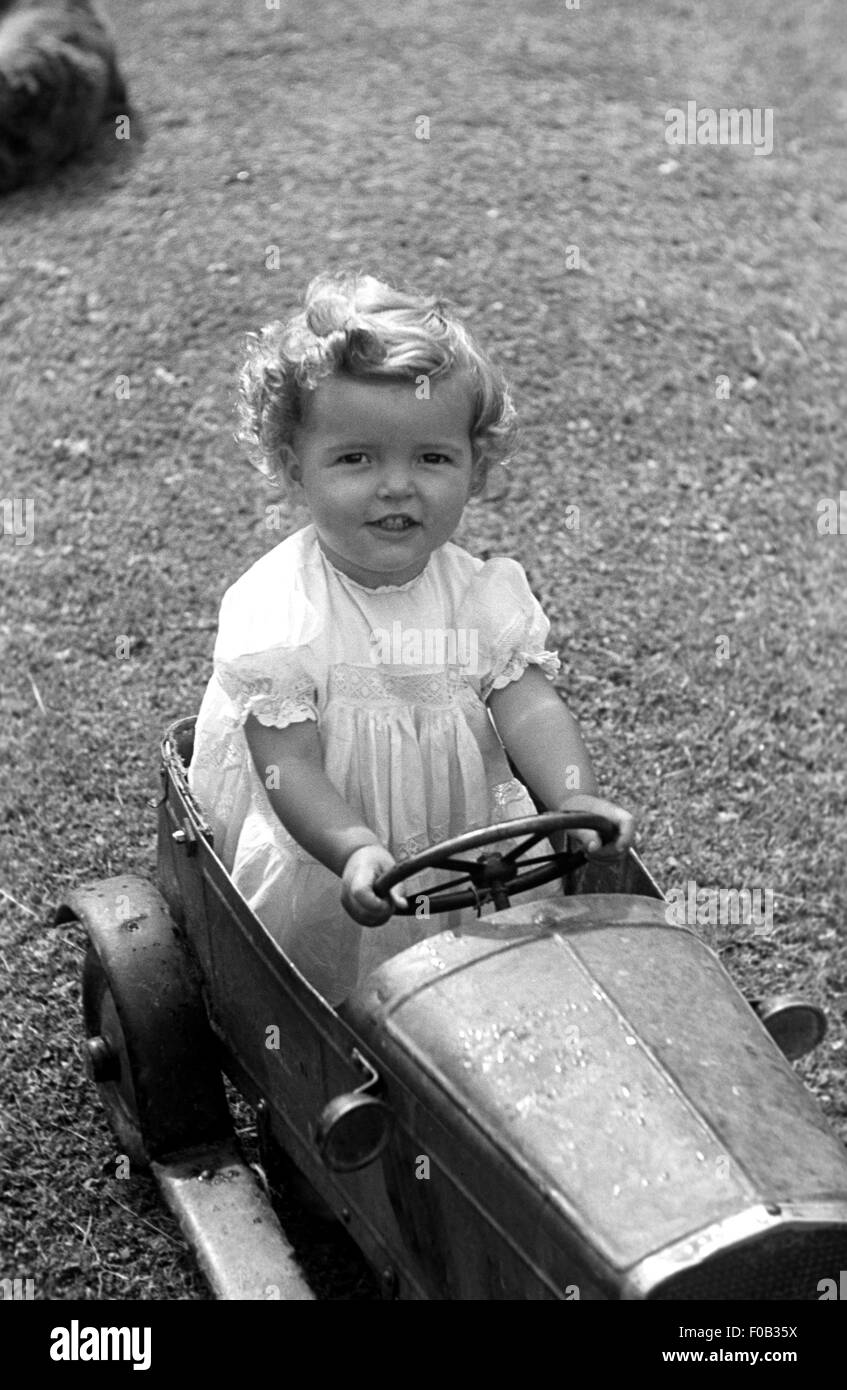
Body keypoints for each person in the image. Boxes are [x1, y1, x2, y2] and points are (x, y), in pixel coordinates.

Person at [189, 272, 636, 1004]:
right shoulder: (282, 612)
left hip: (466, 846)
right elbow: (288, 766)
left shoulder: (478, 595)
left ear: (475, 467)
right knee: (336, 985)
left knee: (494, 990)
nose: (397, 486)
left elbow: (530, 708)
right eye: (355, 458)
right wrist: (355, 849)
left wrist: (573, 797)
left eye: (431, 458)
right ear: (294, 465)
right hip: (334, 847)